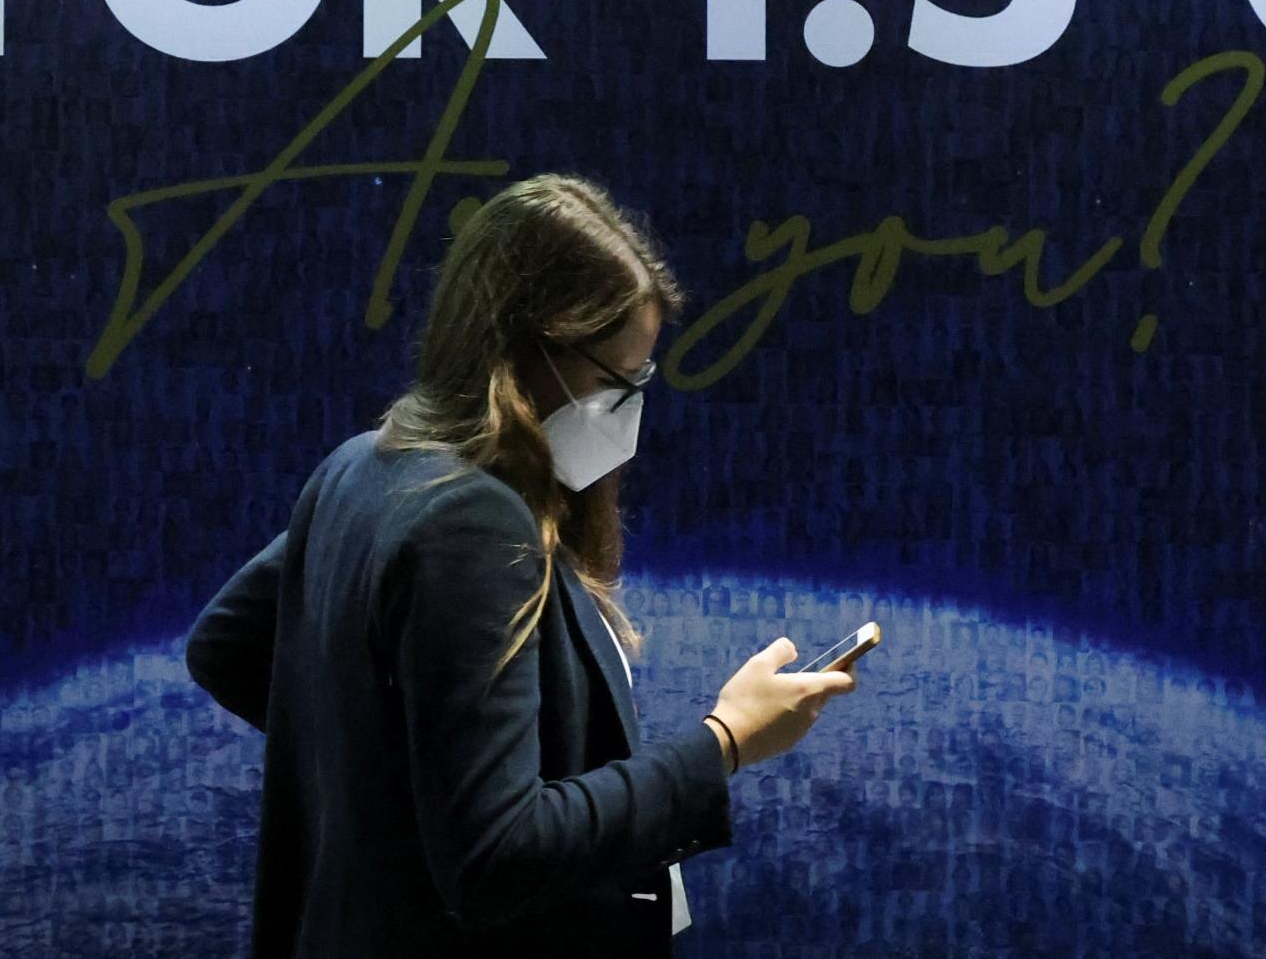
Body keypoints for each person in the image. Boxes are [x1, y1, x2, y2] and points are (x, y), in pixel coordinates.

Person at [186, 173, 858, 957]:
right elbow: (498, 859)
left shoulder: (360, 466)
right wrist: (726, 741)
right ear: (529, 350)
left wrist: (409, 775)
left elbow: (225, 648)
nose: (633, 407)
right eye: (620, 381)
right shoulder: (471, 521)